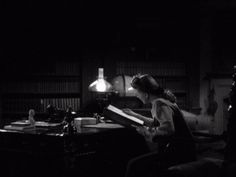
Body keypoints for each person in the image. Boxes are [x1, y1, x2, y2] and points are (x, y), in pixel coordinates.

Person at [123, 74, 196, 177]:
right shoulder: (163, 101)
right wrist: (134, 115)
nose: (136, 95)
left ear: (146, 93)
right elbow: (156, 122)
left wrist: (145, 131)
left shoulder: (159, 104)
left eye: (137, 91)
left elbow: (168, 130)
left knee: (134, 165)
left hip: (179, 153)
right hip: (184, 150)